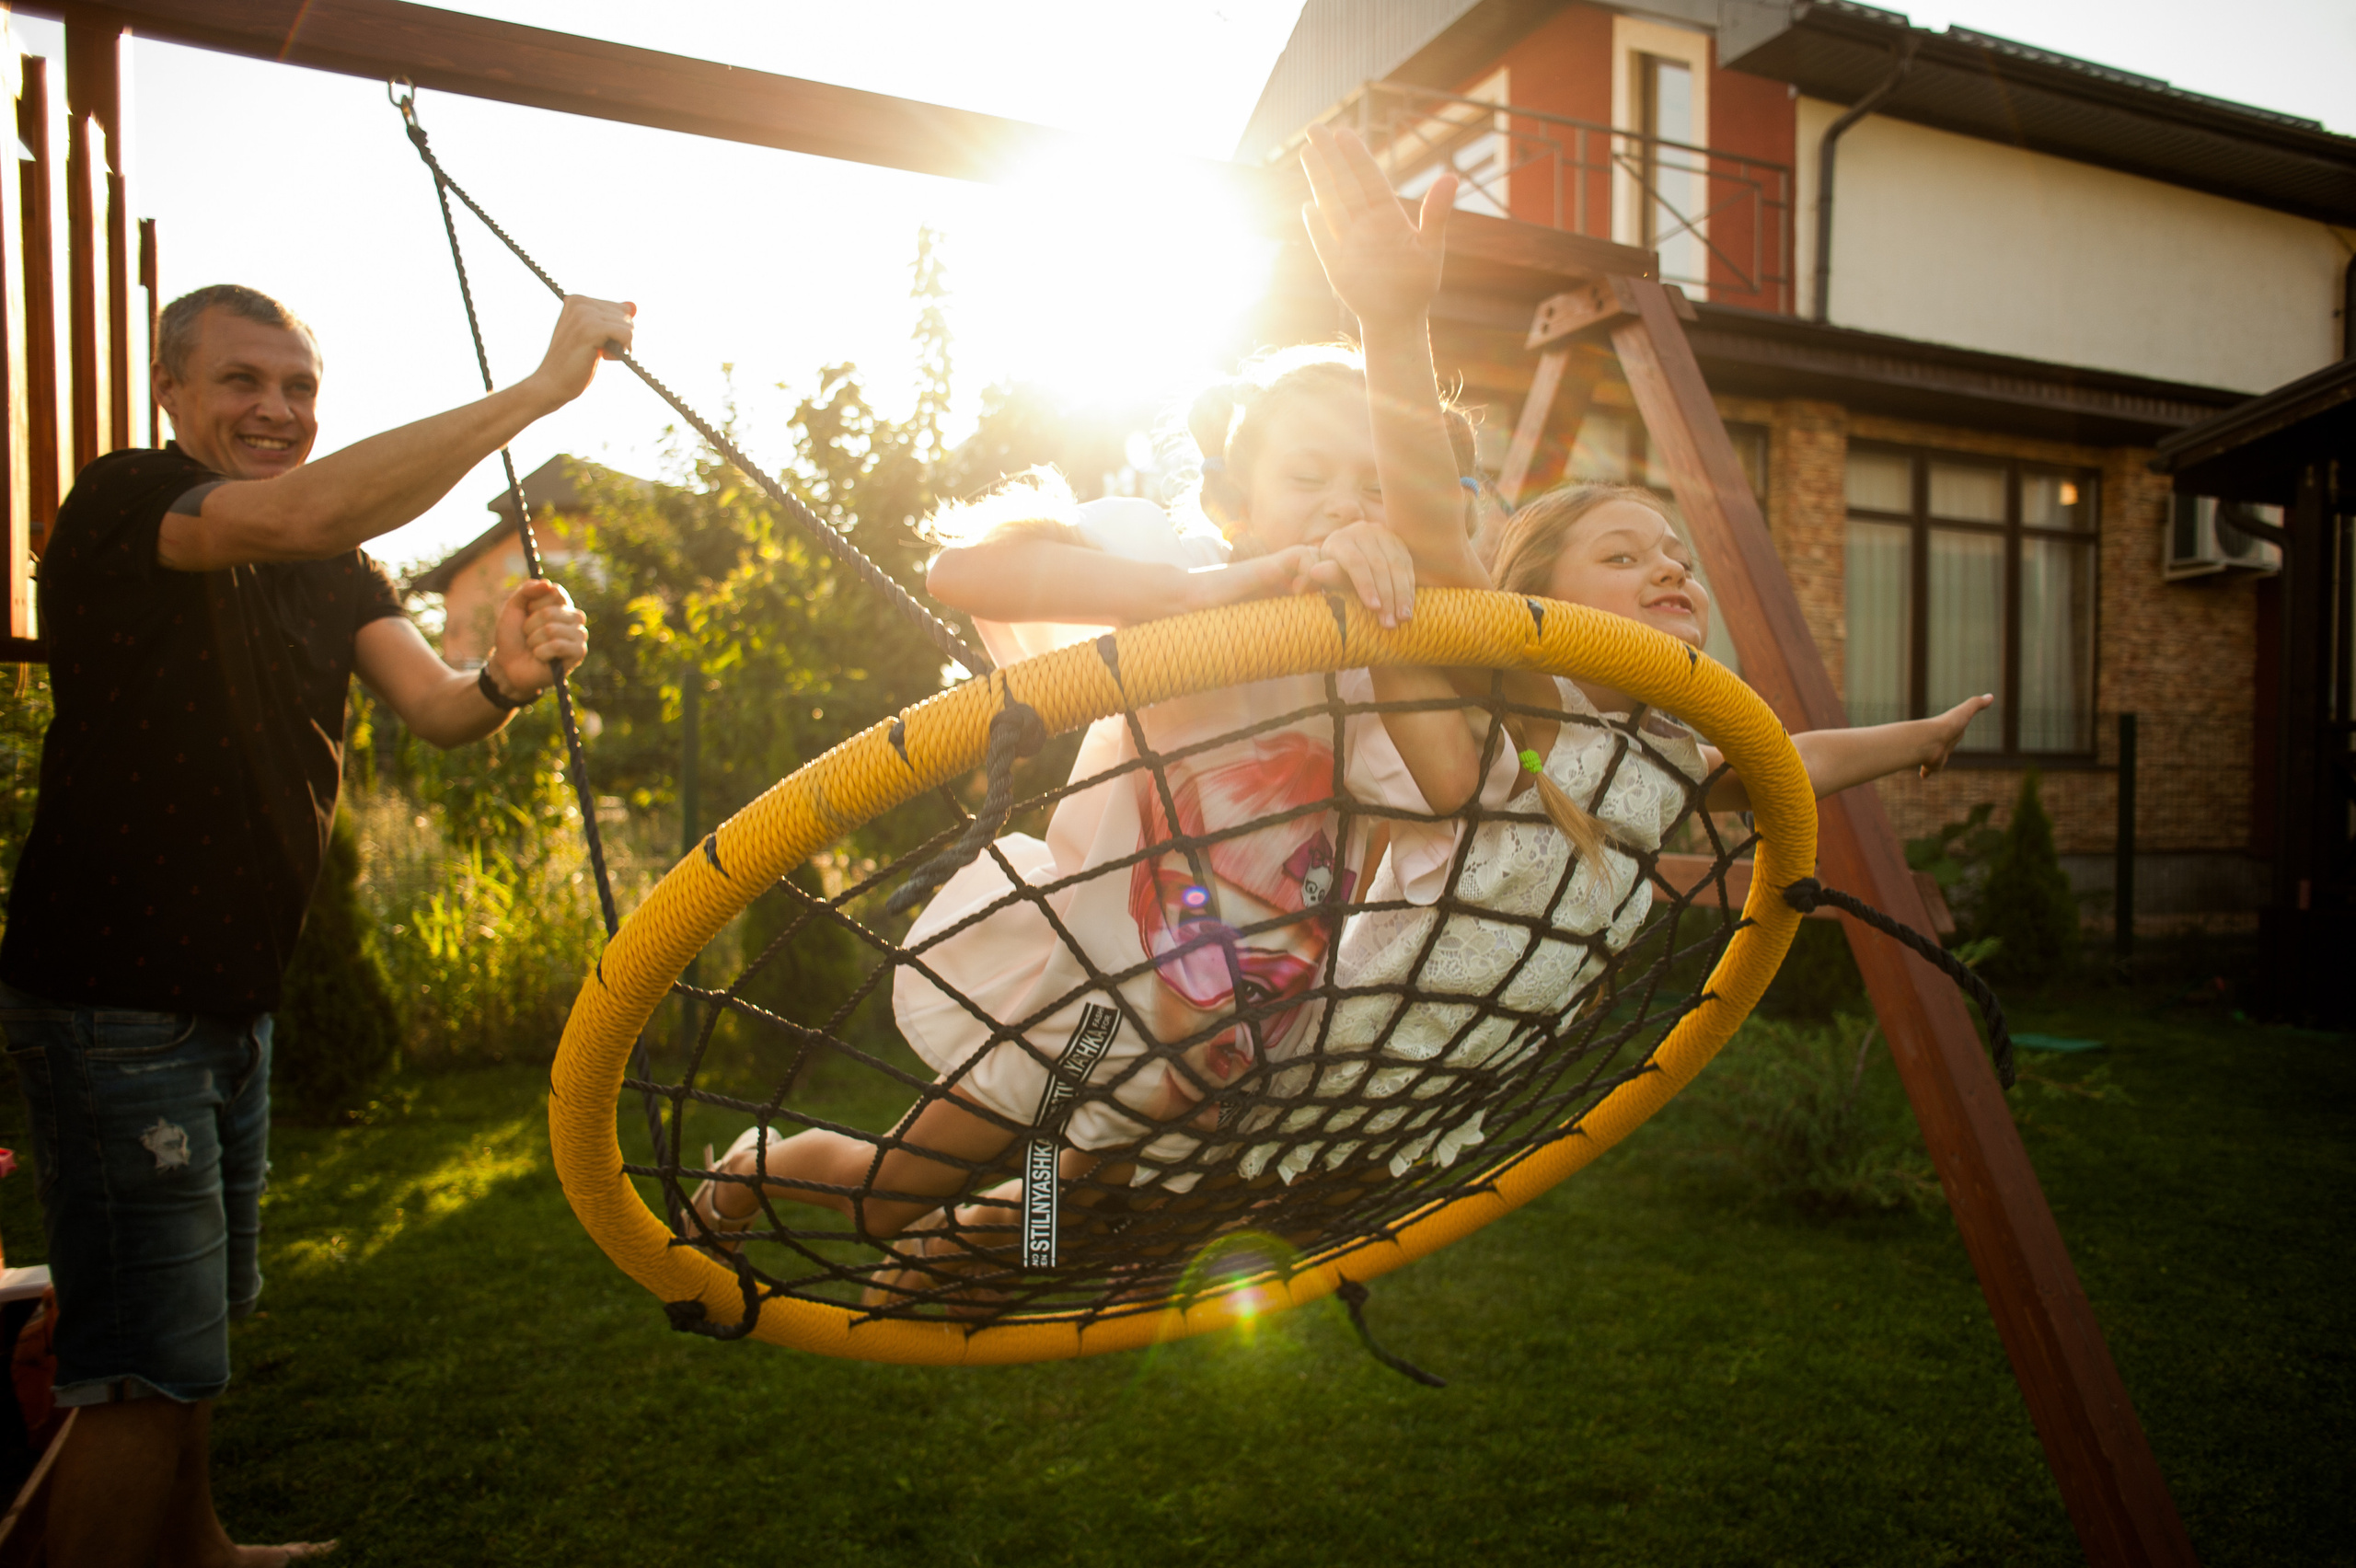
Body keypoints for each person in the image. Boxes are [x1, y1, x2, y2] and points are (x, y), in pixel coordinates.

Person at [678, 129, 1484, 1283]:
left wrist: (1401, 615)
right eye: (1308, 479)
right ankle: (774, 1166)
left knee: (1044, 1228)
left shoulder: (1380, 665)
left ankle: (932, 1279)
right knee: (892, 1198)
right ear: (1234, 505)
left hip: (1227, 1033)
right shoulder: (1173, 572)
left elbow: (1449, 788)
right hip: (1084, 990)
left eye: (1374, 488)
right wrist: (1204, 593)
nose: (1341, 508)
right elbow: (966, 572)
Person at [0, 281, 630, 1566]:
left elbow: (438, 709)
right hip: (115, 996)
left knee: (195, 1329)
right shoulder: (128, 502)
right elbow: (306, 507)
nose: (276, 410)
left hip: (230, 991)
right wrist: (537, 394)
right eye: (242, 381)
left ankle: (199, 1548)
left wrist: (507, 676)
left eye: (298, 388)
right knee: (139, 1366)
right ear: (171, 391)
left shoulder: (336, 571)